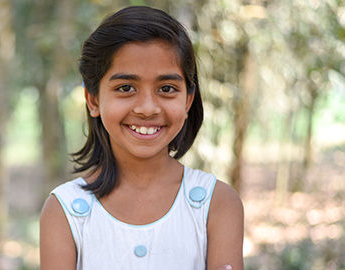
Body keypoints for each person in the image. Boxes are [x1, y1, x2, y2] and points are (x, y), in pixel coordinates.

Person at [39, 6, 244, 270]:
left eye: (167, 88)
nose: (147, 108)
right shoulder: (64, 212)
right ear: (93, 100)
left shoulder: (217, 203)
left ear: (187, 101)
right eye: (126, 88)